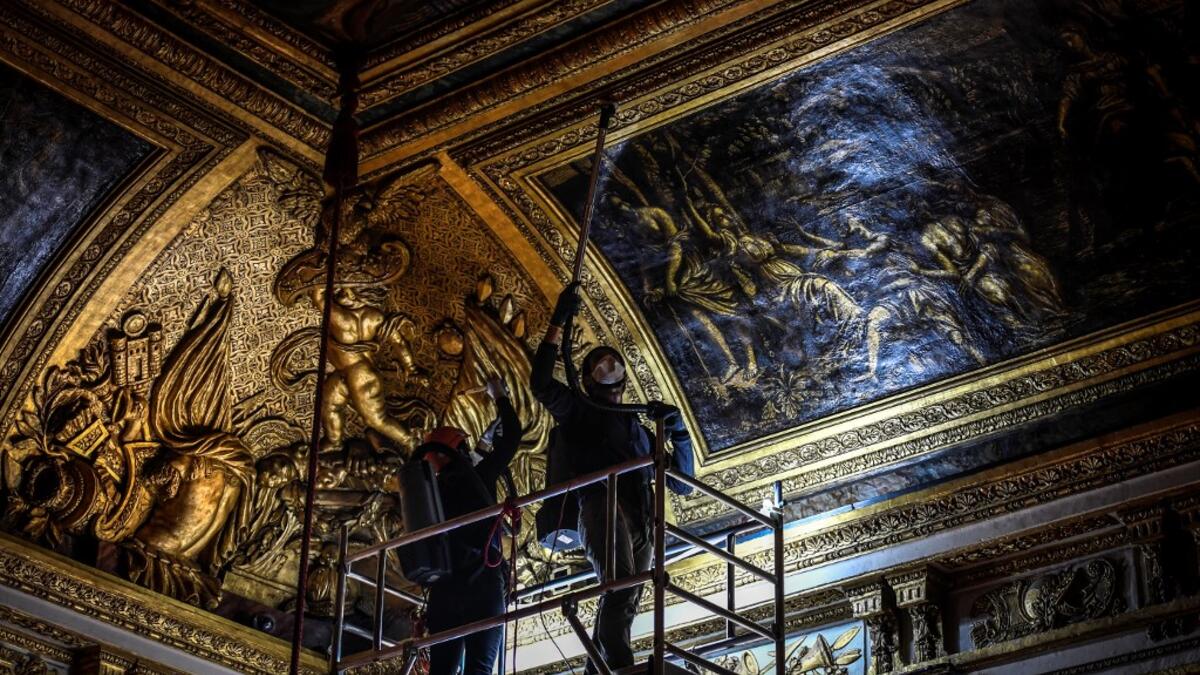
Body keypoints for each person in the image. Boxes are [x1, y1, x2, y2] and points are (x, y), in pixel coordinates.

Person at [530, 283, 695, 672]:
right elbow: (540, 383)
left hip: (641, 512)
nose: (609, 369)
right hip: (602, 505)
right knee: (619, 588)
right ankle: (618, 665)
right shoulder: (578, 410)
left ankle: (598, 669)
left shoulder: (637, 426)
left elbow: (681, 483)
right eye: (600, 365)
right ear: (587, 380)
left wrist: (679, 432)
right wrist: (557, 320)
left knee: (626, 599)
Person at [420, 376, 520, 675]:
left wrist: (483, 445)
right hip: (483, 588)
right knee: (479, 670)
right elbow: (513, 434)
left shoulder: (429, 493)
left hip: (445, 594)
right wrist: (500, 395)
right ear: (460, 447)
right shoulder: (480, 478)